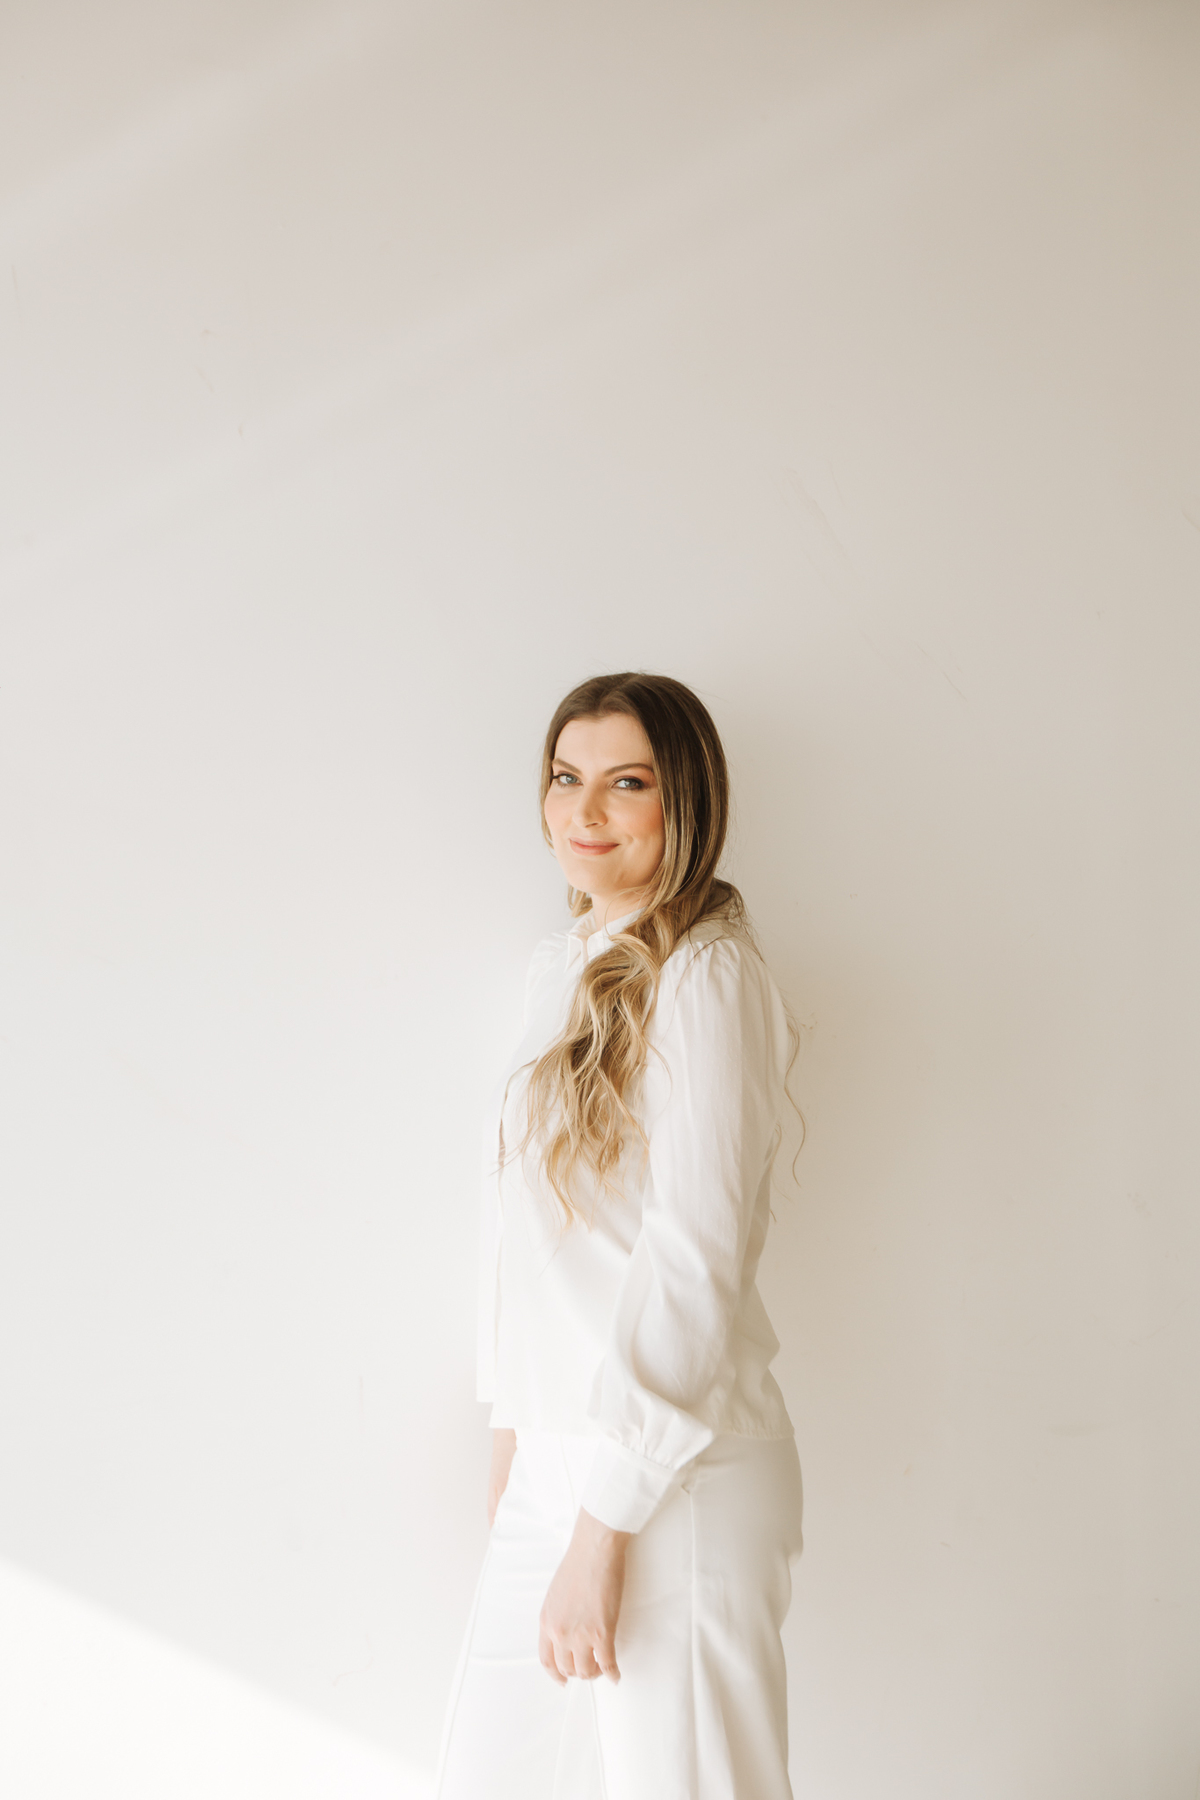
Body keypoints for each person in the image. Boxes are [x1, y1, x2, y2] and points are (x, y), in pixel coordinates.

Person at [435, 672, 803, 1800]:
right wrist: (514, 1439)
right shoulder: (559, 968)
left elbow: (695, 1260)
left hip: (667, 1480)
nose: (584, 810)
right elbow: (527, 1233)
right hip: (554, 1466)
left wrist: (603, 1525)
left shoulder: (707, 974)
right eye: (566, 777)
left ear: (684, 801)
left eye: (626, 782)